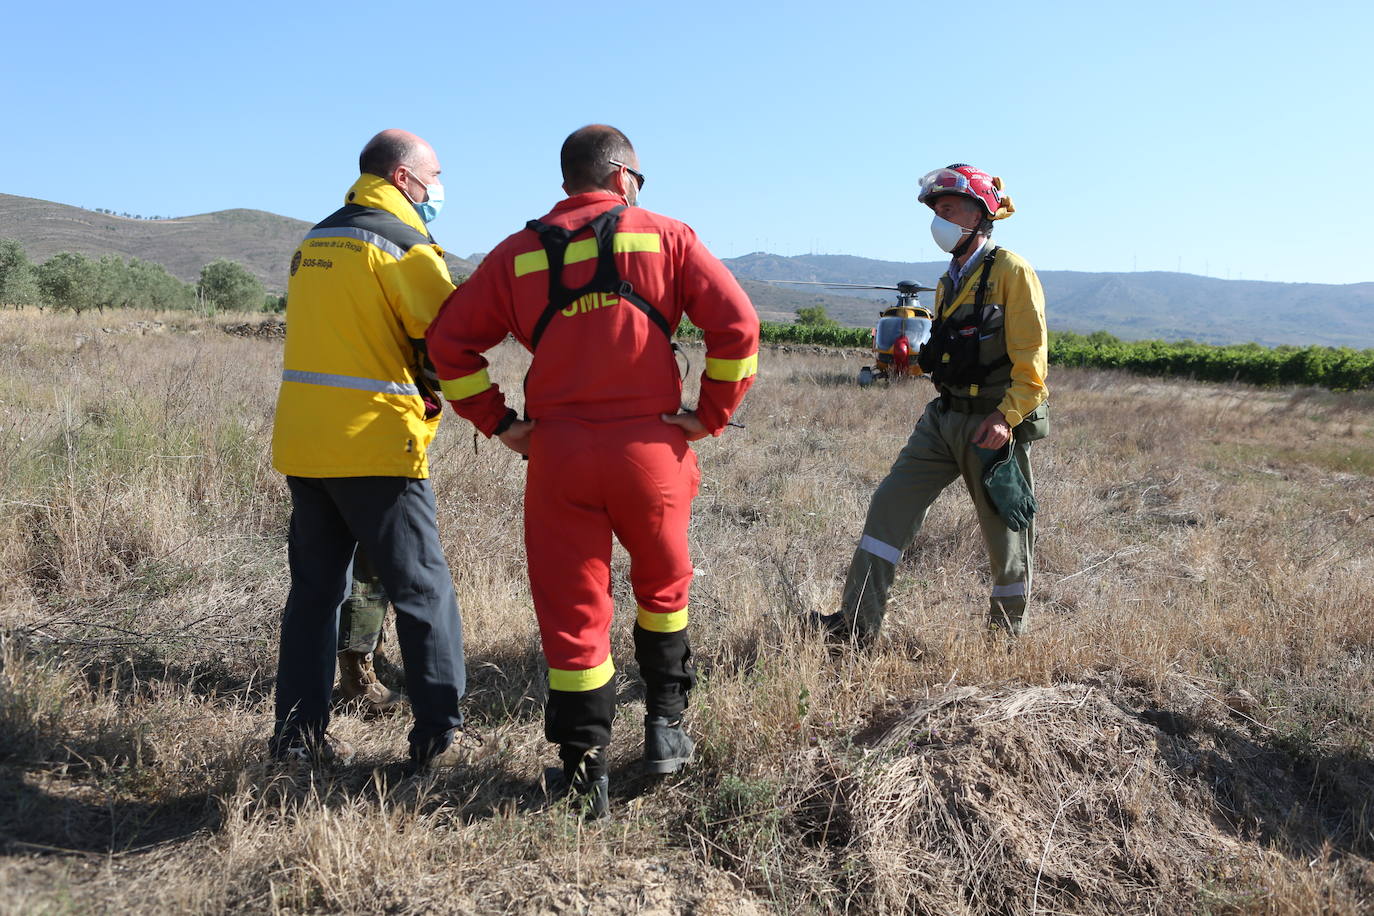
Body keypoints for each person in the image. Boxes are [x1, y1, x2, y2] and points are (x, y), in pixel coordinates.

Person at [426, 124, 759, 816]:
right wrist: (710, 415)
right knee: (664, 591)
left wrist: (501, 423)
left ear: (567, 181)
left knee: (574, 615)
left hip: (559, 456)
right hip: (653, 453)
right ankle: (666, 731)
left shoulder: (517, 254)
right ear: (623, 178)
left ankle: (584, 776)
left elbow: (448, 345)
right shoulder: (668, 236)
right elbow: (739, 329)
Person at [269, 129, 471, 769]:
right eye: (435, 176)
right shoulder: (403, 244)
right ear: (405, 178)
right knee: (422, 593)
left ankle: (297, 741)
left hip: (306, 445)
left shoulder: (316, 239)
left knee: (314, 597)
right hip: (376, 445)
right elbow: (449, 338)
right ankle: (438, 740)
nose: (439, 189)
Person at [815, 163, 1048, 644]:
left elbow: (1033, 362)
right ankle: (855, 626)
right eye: (935, 209)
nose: (938, 220)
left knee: (1006, 536)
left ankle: (1006, 641)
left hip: (992, 423)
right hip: (943, 419)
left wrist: (1006, 418)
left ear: (979, 213)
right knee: (888, 508)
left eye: (947, 208)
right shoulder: (947, 281)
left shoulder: (1012, 271)